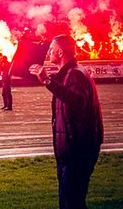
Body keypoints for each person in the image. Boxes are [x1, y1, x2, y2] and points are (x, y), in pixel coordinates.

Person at [30, 35, 104, 209]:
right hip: (70, 152)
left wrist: (47, 82)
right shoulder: (69, 73)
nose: (48, 53)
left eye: (51, 50)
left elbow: (78, 101)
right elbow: (60, 86)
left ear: (61, 52)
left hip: (77, 152)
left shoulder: (76, 74)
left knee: (71, 204)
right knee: (70, 203)